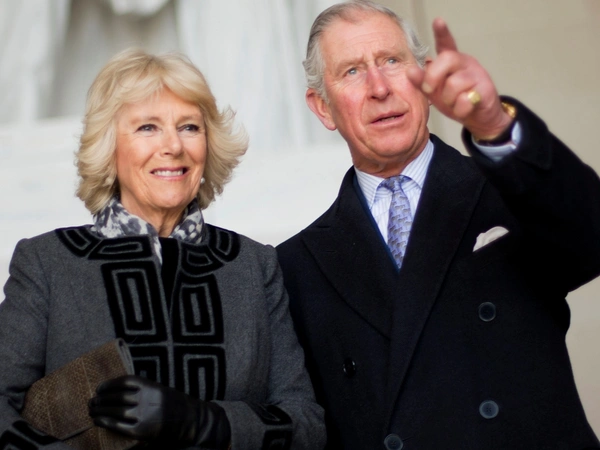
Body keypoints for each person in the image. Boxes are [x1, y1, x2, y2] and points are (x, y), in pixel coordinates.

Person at [276, 1, 600, 449]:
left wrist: (494, 123)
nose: (379, 87)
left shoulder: (511, 189)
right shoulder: (293, 267)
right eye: (352, 71)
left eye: (392, 61)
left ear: (426, 79)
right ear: (323, 108)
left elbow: (591, 236)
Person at [0, 49, 326, 450]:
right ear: (109, 146)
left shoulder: (253, 265)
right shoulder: (48, 262)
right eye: (147, 127)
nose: (172, 145)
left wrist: (200, 421)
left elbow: (306, 424)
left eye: (189, 127)